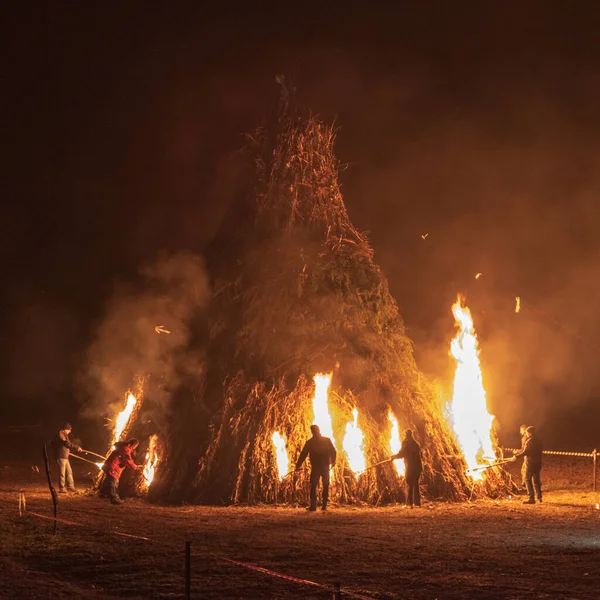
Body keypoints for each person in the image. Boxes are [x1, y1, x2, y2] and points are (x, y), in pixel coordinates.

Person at [295, 424, 337, 511]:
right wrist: (333, 461)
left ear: (312, 432)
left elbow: (303, 454)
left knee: (313, 485)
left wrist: (298, 465)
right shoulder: (326, 440)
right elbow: (333, 451)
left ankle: (313, 506)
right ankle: (324, 505)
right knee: (325, 484)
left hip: (316, 467)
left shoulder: (310, 442)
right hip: (325, 466)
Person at [100, 438, 141, 505]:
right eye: (134, 447)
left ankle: (103, 493)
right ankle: (114, 499)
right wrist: (136, 467)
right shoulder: (125, 449)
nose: (134, 449)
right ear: (130, 444)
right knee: (114, 482)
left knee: (108, 480)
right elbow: (128, 461)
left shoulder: (123, 447)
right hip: (113, 467)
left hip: (110, 466)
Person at [512, 426, 543, 504]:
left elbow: (526, 452)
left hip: (530, 463)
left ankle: (531, 498)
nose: (526, 434)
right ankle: (539, 497)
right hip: (538, 463)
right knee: (536, 480)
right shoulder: (539, 440)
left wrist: (516, 456)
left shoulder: (529, 441)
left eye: (527, 432)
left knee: (527, 479)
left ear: (530, 433)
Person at [392, 429, 422, 508]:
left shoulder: (406, 443)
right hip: (418, 466)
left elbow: (402, 453)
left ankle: (409, 504)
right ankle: (417, 503)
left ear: (405, 435)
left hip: (411, 466)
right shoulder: (415, 443)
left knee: (409, 482)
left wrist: (394, 457)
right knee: (415, 483)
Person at [52, 422, 82, 493]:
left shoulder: (64, 434)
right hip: (61, 456)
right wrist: (76, 447)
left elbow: (67, 444)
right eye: (69, 430)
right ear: (66, 429)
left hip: (65, 457)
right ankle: (62, 488)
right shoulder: (61, 433)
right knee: (62, 473)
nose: (70, 431)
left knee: (69, 472)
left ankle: (70, 487)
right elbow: (67, 443)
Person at [518, 424, 529, 490]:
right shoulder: (529, 437)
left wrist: (517, 453)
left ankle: (525, 486)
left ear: (524, 430)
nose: (520, 432)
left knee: (524, 470)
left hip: (527, 457)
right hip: (530, 457)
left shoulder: (524, 438)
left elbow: (524, 449)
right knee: (528, 471)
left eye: (521, 430)